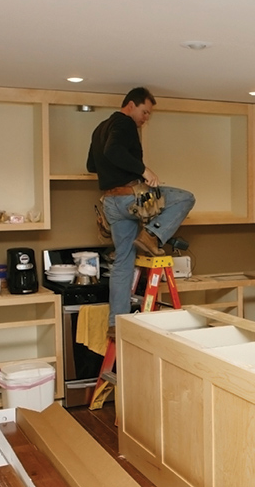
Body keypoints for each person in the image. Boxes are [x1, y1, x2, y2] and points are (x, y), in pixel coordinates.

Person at [87, 86, 195, 332]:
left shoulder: (99, 129)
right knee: (186, 198)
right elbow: (112, 150)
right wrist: (143, 171)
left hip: (111, 203)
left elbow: (92, 164)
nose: (146, 118)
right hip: (130, 198)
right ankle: (152, 235)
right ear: (131, 105)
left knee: (123, 263)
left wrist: (113, 170)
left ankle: (116, 323)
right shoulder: (124, 123)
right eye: (145, 112)